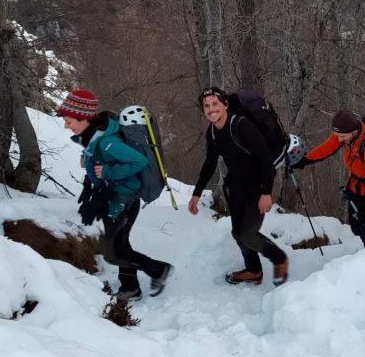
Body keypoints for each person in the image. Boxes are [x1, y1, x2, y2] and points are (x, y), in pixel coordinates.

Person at [59, 88, 173, 301]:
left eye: (69, 120)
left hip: (124, 202)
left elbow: (139, 161)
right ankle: (130, 287)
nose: (66, 125)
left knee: (112, 254)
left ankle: (158, 270)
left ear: (83, 118)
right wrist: (89, 165)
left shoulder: (106, 142)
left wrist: (109, 172)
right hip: (115, 198)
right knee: (120, 244)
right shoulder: (95, 136)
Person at [188, 87, 289, 286]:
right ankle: (253, 271)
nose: (211, 109)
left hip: (257, 187)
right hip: (236, 187)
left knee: (247, 233)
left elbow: (265, 159)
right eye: (206, 106)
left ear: (225, 105)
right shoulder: (213, 133)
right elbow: (210, 163)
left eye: (215, 104)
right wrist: (196, 193)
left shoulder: (241, 126)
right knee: (238, 233)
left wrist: (266, 192)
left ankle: (279, 259)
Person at [290, 109, 365, 248]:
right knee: (356, 227)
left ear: (354, 131)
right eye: (337, 135)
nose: (339, 139)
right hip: (355, 187)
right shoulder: (345, 134)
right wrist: (304, 160)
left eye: (342, 136)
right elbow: (325, 149)